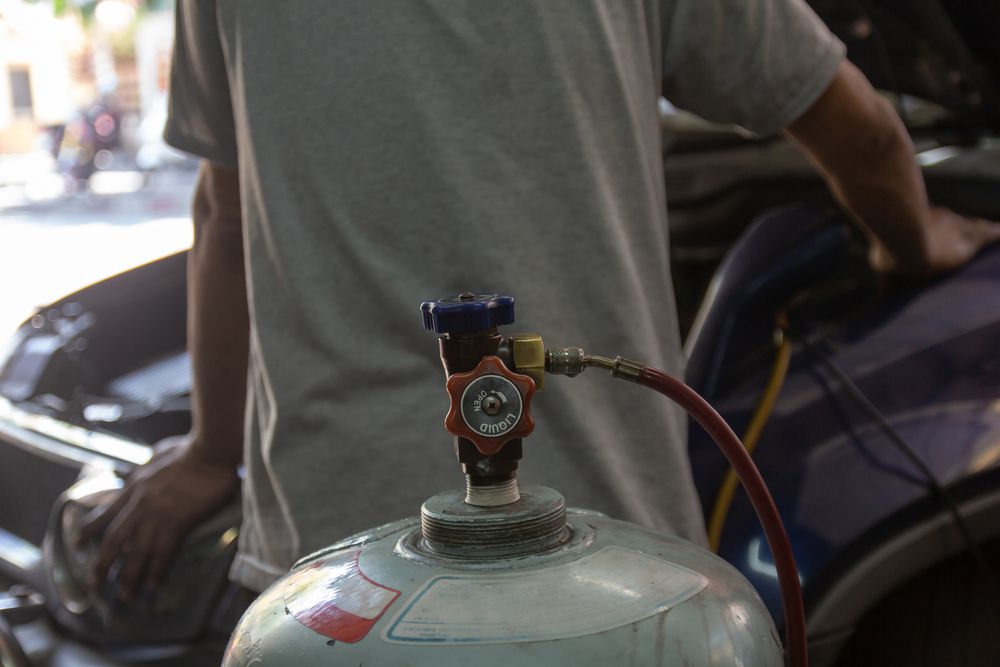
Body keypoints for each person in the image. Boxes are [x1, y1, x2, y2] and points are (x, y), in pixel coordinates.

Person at [81, 0, 1000, 599]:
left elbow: (224, 211)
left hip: (333, 588)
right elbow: (861, 131)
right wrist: (915, 241)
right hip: (609, 576)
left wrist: (210, 451)